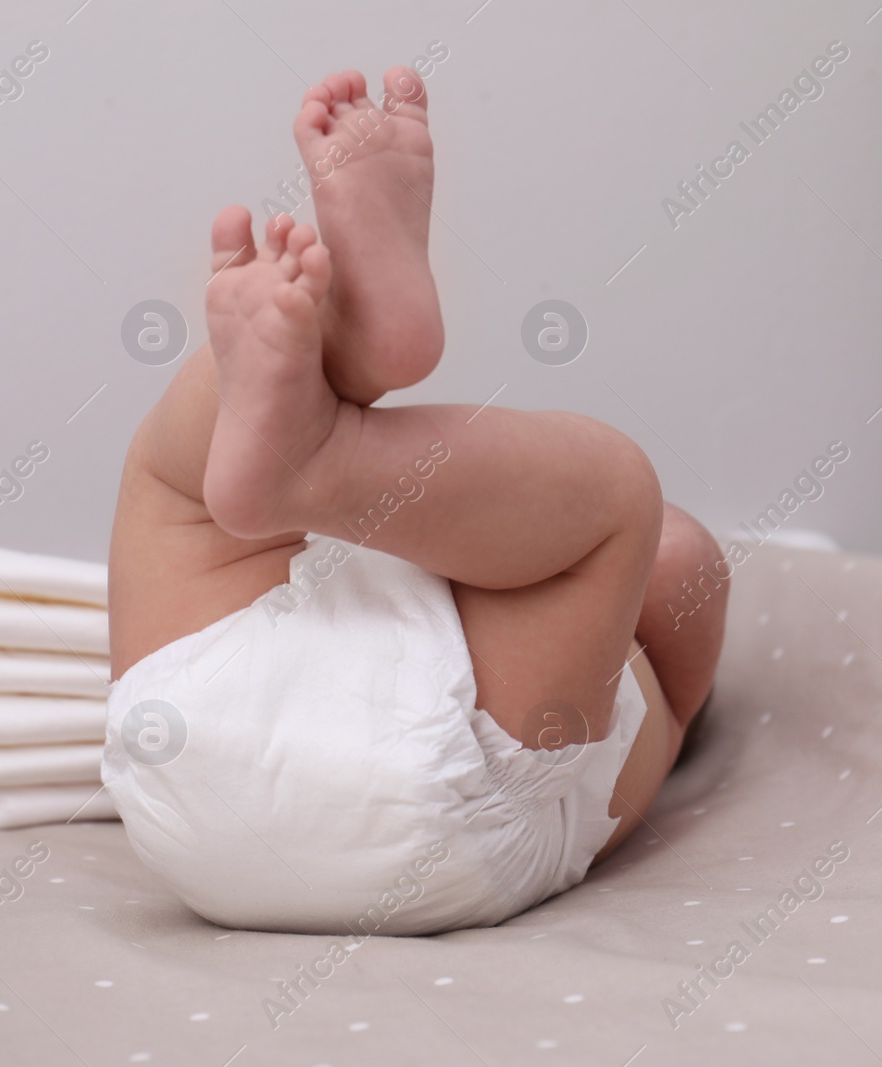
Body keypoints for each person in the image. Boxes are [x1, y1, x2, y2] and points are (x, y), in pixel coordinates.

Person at [103, 67, 729, 935]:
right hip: (438, 817)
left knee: (173, 475)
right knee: (194, 488)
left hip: (185, 767)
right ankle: (329, 425)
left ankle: (343, 373)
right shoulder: (634, 730)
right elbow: (653, 577)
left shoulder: (600, 680)